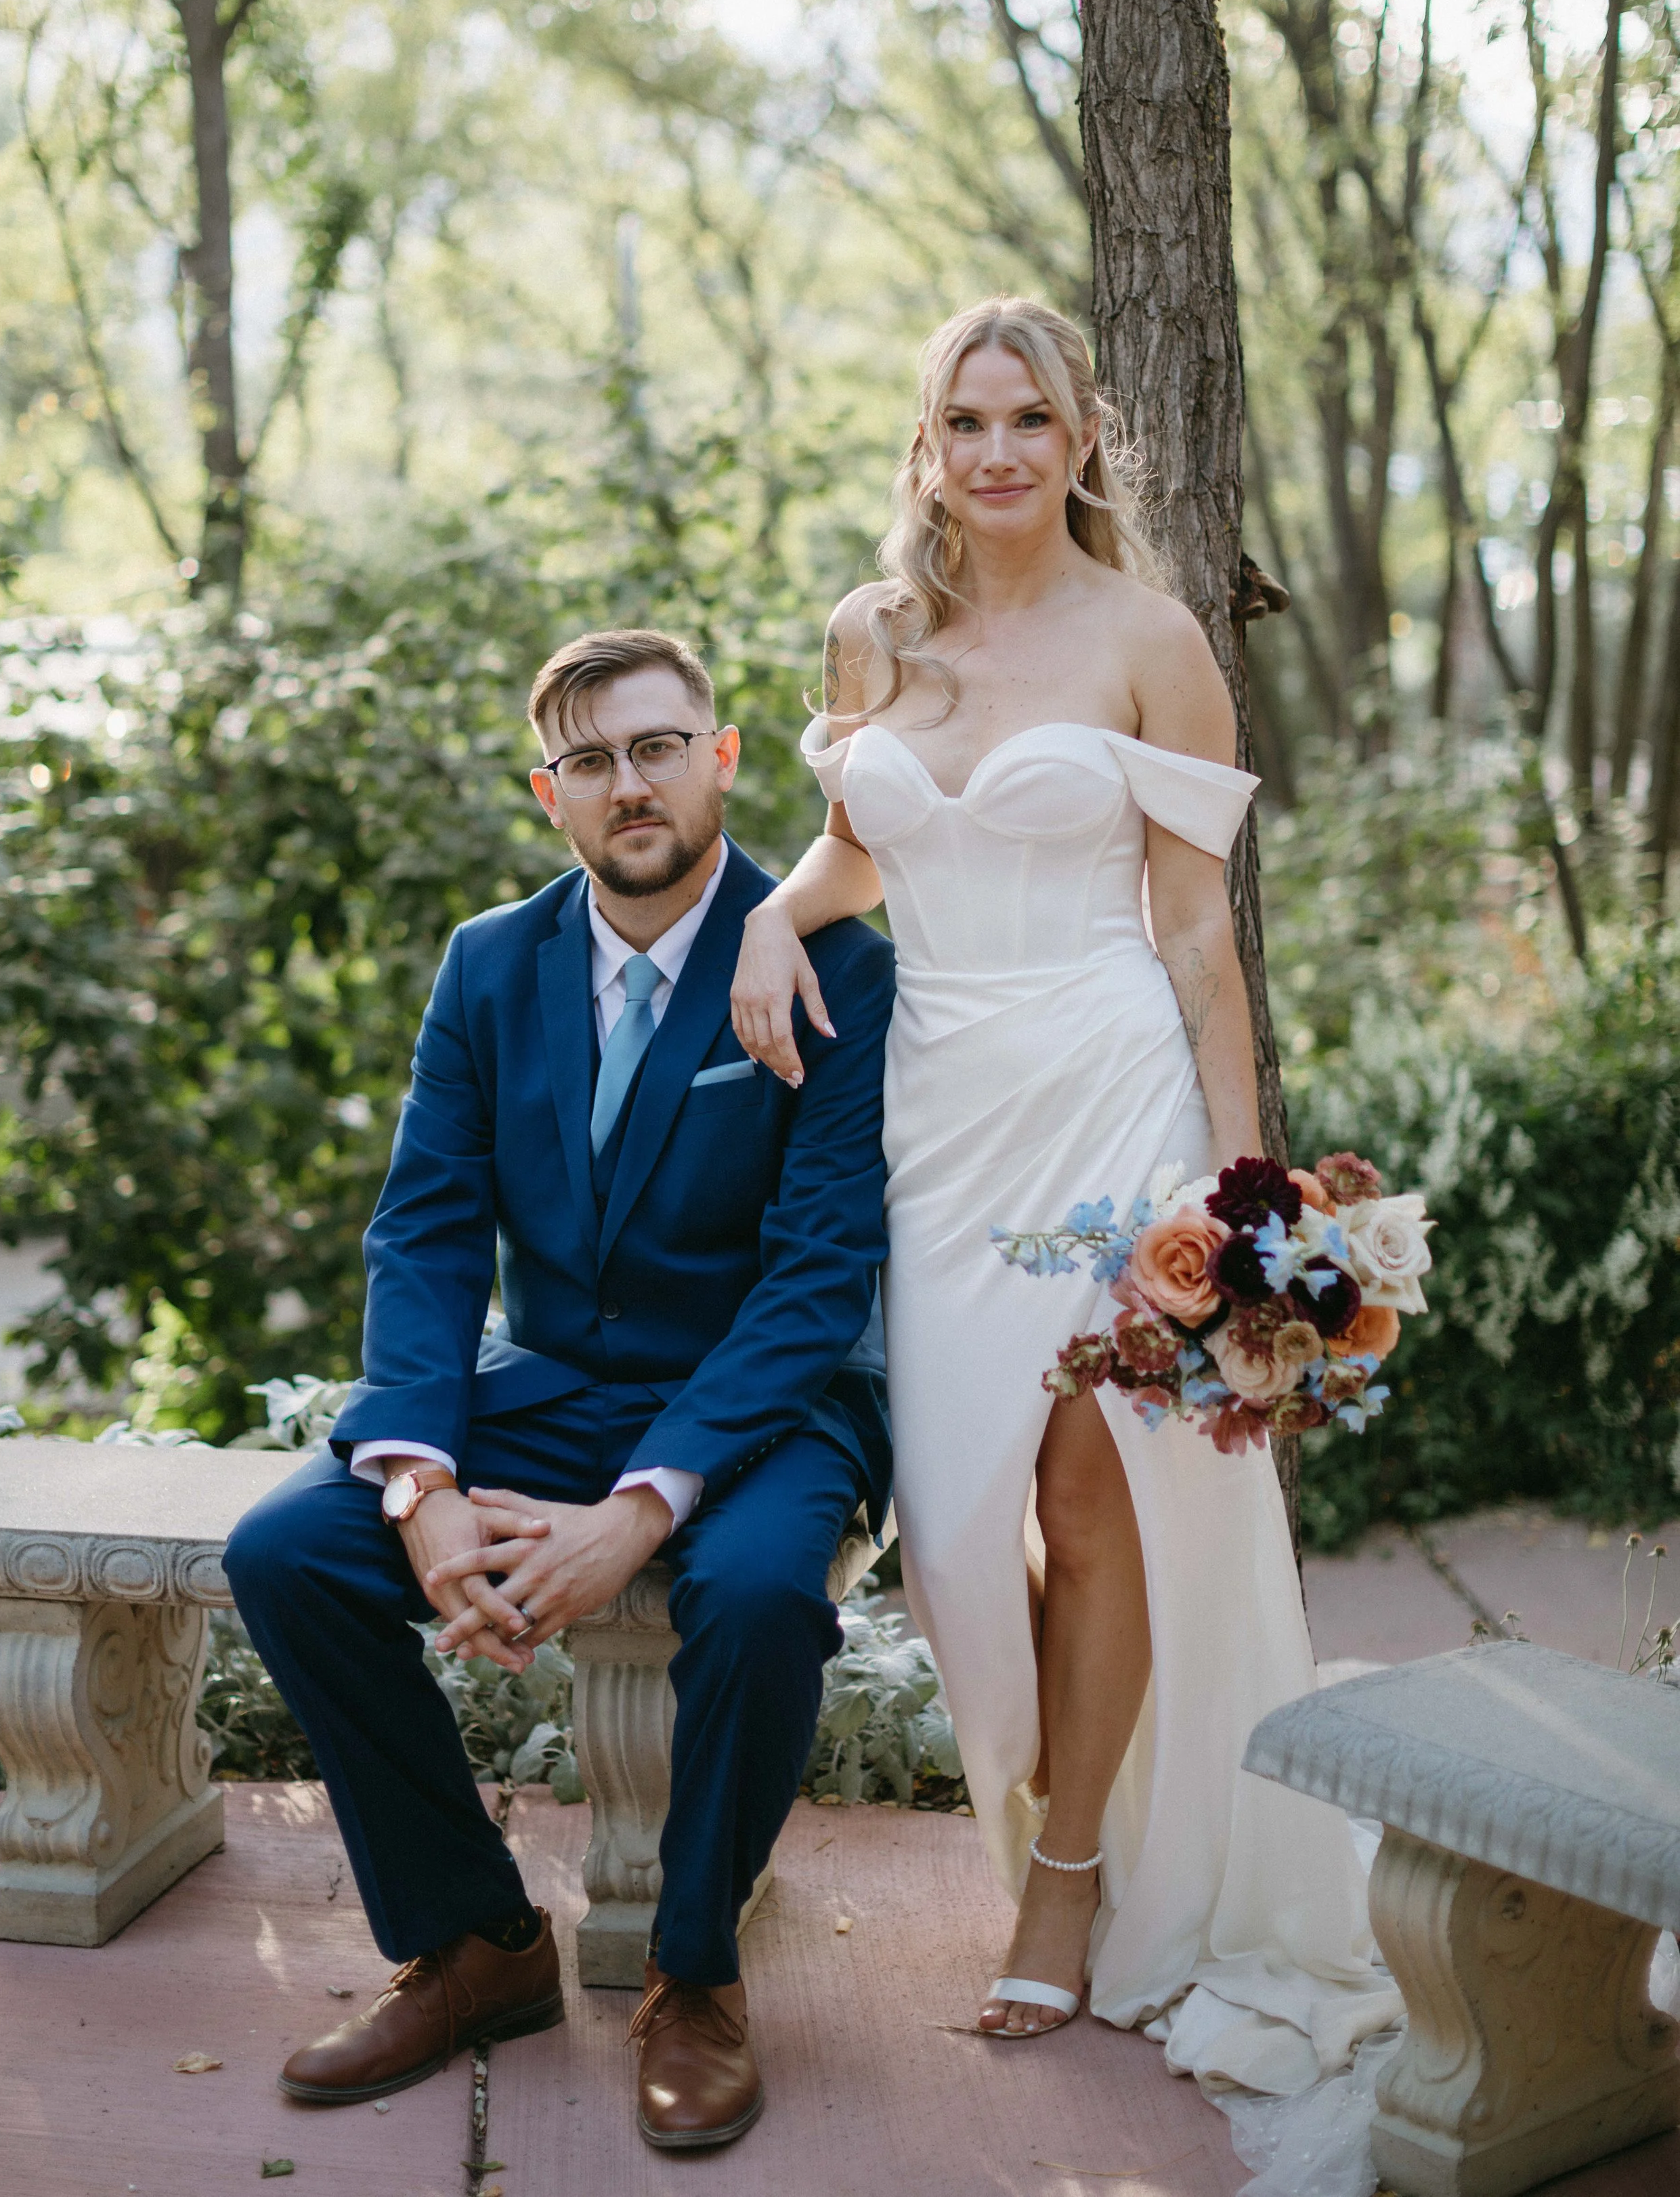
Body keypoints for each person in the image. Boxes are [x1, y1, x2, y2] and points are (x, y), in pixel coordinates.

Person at [729, 299, 1399, 2091]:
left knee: (1091, 1504)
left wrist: (1244, 1198)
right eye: (969, 416)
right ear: (927, 440)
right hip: (941, 1127)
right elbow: (868, 842)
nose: (1002, 447)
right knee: (952, 1531)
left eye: (1033, 414)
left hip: (1112, 1105)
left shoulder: (1148, 637)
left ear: (1085, 434)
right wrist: (767, 914)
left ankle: (1068, 1875)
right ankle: (1060, 1804)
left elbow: (1195, 926)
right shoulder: (872, 631)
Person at [225, 628, 894, 2154]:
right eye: (590, 761)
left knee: (761, 1595)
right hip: (556, 1378)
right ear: (551, 796)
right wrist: (423, 1483)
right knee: (291, 1552)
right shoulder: (488, 962)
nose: (629, 784)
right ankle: (479, 1946)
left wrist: (636, 1512)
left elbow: (813, 1278)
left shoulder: (833, 964)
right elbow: (427, 1227)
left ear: (719, 759)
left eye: (658, 746)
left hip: (770, 1403)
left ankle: (694, 1977)